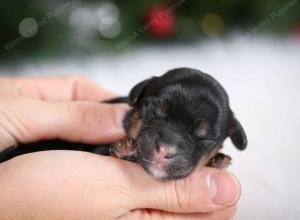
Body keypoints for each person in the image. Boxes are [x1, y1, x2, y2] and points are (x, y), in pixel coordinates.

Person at [0, 75, 240, 220]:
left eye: (201, 138)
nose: (166, 147)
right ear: (136, 99)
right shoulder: (113, 126)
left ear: (223, 141)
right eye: (155, 114)